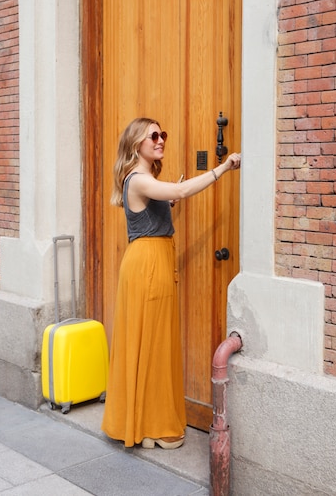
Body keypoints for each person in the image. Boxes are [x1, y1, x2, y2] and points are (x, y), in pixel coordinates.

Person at [101, 117, 241, 449]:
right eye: (154, 135)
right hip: (147, 264)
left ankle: (149, 427)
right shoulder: (137, 178)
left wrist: (167, 205)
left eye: (162, 134)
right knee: (151, 341)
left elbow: (163, 203)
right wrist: (223, 168)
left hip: (153, 260)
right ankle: (151, 426)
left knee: (153, 341)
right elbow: (179, 189)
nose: (161, 140)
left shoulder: (145, 180)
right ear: (137, 143)